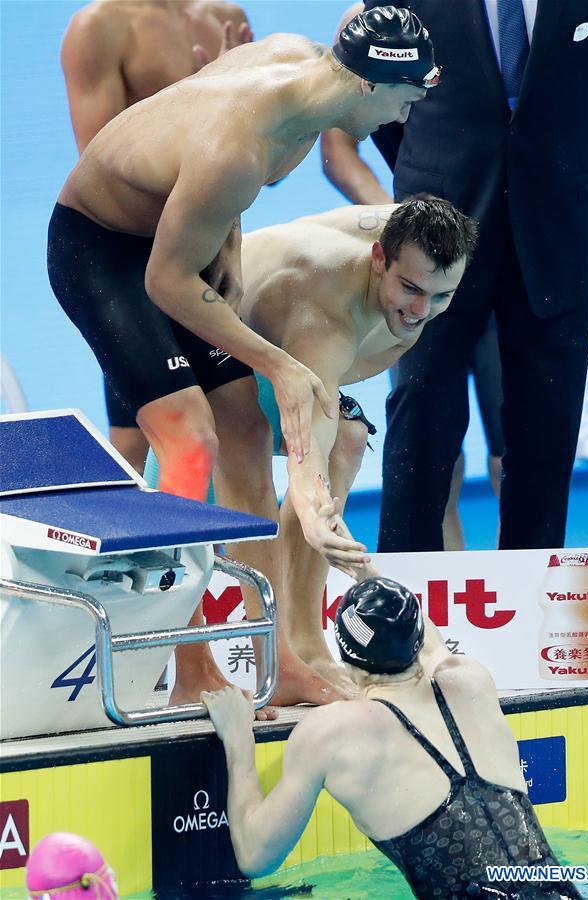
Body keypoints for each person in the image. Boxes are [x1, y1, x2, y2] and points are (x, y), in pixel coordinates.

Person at [47, 6, 438, 706]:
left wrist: (225, 240)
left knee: (246, 435)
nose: (404, 115)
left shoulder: (300, 62)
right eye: (405, 99)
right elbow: (164, 279)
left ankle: (276, 659)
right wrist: (281, 365)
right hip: (102, 252)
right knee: (190, 440)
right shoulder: (239, 148)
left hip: (180, 238)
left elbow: (204, 162)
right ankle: (187, 665)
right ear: (367, 86)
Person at [144, 194, 476, 688]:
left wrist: (316, 502)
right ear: (378, 261)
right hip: (196, 342)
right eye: (409, 289)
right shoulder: (327, 316)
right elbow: (308, 444)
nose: (421, 311)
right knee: (188, 500)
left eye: (441, 297)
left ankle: (304, 644)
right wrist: (315, 503)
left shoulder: (413, 237)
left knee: (349, 437)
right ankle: (207, 663)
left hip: (270, 355)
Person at [354, 0, 588, 554]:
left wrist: (558, 171)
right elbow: (384, 100)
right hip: (437, 219)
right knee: (420, 419)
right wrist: (439, 171)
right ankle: (405, 604)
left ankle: (536, 599)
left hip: (558, 222)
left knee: (545, 429)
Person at [202, 572, 583, 899]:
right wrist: (363, 568)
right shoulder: (472, 683)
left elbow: (255, 857)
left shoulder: (332, 733)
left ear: (344, 657)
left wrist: (238, 739)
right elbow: (430, 646)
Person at [321, 1, 504, 551]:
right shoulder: (373, 19)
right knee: (429, 440)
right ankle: (441, 589)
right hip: (420, 271)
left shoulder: (509, 23)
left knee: (510, 441)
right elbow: (339, 147)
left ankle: (516, 587)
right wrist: (404, 225)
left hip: (506, 253)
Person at [61, 0, 254, 474]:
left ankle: (232, 551)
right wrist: (207, 107)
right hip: (125, 257)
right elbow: (104, 168)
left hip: (202, 251)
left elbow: (261, 165)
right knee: (140, 440)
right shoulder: (100, 27)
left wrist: (238, 106)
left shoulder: (222, 17)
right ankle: (123, 548)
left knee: (243, 431)